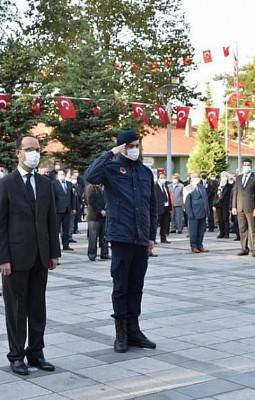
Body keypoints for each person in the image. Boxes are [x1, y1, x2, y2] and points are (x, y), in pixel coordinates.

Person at [0, 135, 60, 376]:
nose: (34, 154)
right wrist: (2, 259)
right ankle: (16, 355)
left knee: (37, 307)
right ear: (18, 153)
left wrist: (54, 252)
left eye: (37, 149)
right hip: (15, 258)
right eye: (29, 149)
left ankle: (36, 352)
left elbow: (51, 220)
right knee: (16, 309)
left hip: (41, 256)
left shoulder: (44, 184)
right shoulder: (5, 184)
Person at [85, 129, 157, 353]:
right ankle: (121, 333)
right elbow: (90, 176)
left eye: (138, 145)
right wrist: (110, 153)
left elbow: (151, 206)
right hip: (121, 237)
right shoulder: (111, 169)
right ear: (123, 147)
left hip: (141, 238)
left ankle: (134, 330)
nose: (136, 149)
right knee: (121, 287)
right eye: (132, 145)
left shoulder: (145, 172)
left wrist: (151, 236)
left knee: (137, 286)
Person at [232, 159, 255, 257]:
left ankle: (254, 249)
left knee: (252, 229)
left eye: (248, 165)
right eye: (244, 165)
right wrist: (234, 206)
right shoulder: (239, 178)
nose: (246, 166)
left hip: (251, 207)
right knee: (242, 228)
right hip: (240, 206)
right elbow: (235, 192)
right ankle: (244, 248)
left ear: (251, 166)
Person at [52, 169, 77, 251]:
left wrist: (73, 208)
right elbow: (52, 198)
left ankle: (66, 245)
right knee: (56, 229)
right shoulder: (53, 184)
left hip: (67, 210)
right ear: (57, 175)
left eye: (62, 174)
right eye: (59, 174)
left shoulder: (69, 184)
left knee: (66, 228)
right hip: (58, 210)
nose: (61, 175)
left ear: (65, 175)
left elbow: (72, 197)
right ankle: (55, 246)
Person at [185, 173, 210, 253]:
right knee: (193, 231)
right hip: (194, 213)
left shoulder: (201, 187)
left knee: (201, 231)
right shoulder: (189, 188)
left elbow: (205, 200)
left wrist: (207, 210)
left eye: (198, 177)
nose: (198, 178)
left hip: (203, 212)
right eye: (196, 177)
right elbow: (187, 202)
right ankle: (194, 246)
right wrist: (190, 213)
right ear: (191, 178)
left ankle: (200, 245)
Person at [85, 183, 109, 261]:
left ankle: (104, 253)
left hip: (104, 215)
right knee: (93, 237)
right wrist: (100, 210)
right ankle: (92, 254)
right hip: (94, 216)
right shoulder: (91, 187)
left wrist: (106, 209)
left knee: (104, 236)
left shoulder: (104, 186)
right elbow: (91, 201)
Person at [214, 172, 233, 239]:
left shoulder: (229, 186)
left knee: (225, 219)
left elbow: (230, 195)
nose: (223, 178)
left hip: (225, 204)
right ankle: (221, 233)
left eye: (224, 176)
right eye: (222, 176)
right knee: (220, 219)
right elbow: (215, 195)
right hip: (218, 205)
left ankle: (226, 233)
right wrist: (214, 204)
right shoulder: (218, 185)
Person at [154, 172, 172, 244]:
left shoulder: (166, 186)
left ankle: (163, 238)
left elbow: (168, 197)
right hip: (158, 208)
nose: (163, 179)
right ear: (158, 178)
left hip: (166, 208)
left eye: (164, 178)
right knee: (155, 225)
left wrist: (170, 207)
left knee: (164, 224)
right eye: (161, 178)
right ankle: (153, 239)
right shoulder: (155, 186)